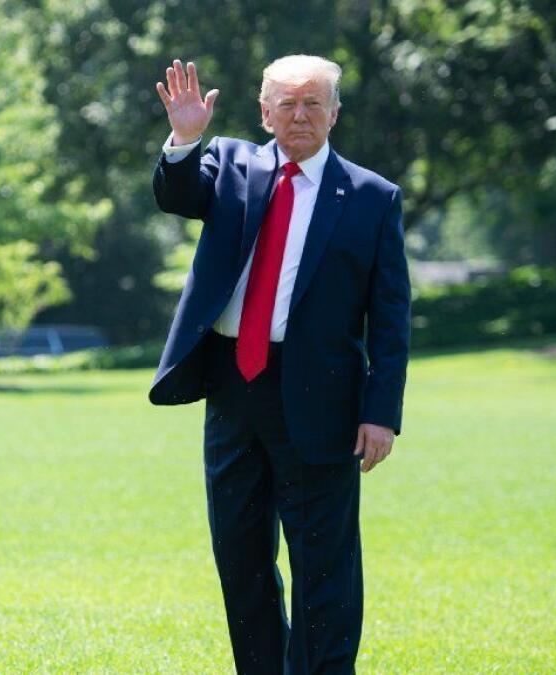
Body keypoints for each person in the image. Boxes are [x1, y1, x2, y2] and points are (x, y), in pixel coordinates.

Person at [149, 54, 411, 674]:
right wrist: (186, 139)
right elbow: (177, 194)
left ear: (335, 114)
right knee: (240, 559)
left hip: (323, 401)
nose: (300, 115)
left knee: (325, 565)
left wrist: (382, 413)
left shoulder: (372, 197)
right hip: (232, 389)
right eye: (287, 103)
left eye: (313, 102)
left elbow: (392, 317)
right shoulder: (232, 164)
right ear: (264, 112)